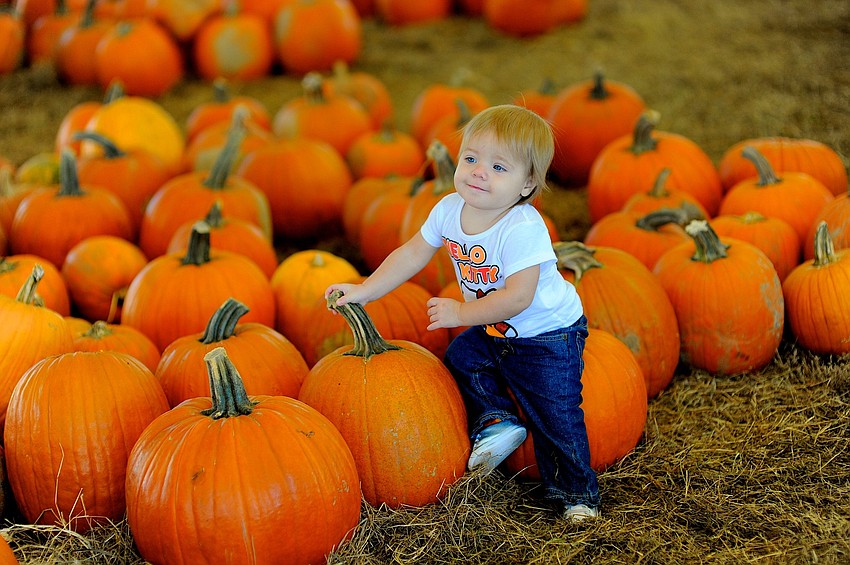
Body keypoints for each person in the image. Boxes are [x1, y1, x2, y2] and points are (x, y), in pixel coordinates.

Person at [325, 104, 599, 521]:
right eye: (470, 158)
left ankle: (576, 495)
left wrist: (459, 312)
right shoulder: (449, 210)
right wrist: (365, 290)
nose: (478, 171)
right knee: (462, 360)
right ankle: (498, 422)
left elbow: (518, 297)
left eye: (498, 166)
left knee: (555, 413)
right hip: (498, 328)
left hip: (547, 333)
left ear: (527, 184)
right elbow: (412, 253)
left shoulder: (522, 228)